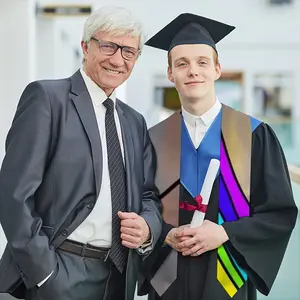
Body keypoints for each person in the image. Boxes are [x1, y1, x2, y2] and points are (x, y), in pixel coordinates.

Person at [0, 6, 162, 300]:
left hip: (118, 276)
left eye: (129, 52)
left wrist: (148, 227)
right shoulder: (48, 100)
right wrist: (44, 273)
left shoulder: (134, 121)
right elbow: (14, 195)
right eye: (108, 46)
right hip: (59, 271)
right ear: (86, 46)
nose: (117, 59)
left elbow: (148, 194)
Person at [138, 13, 298, 300]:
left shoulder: (253, 135)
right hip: (168, 281)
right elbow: (139, 206)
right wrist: (164, 235)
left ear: (217, 69)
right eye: (182, 64)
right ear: (170, 74)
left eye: (202, 62)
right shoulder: (153, 140)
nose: (193, 71)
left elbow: (279, 213)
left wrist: (226, 233)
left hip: (228, 279)